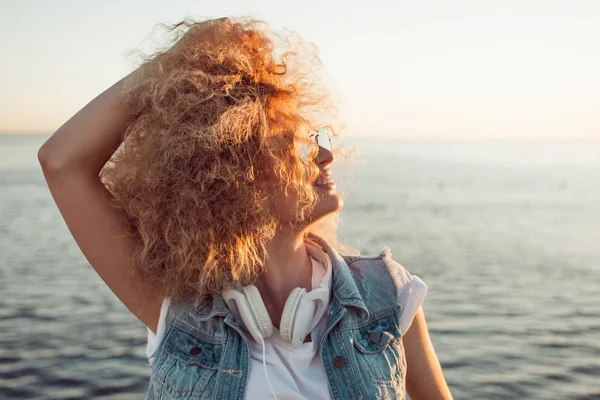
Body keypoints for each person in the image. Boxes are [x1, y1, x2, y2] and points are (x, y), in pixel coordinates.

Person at [38, 17, 453, 400]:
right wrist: (172, 62)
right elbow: (62, 162)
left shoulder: (387, 295)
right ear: (235, 179)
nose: (325, 156)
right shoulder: (181, 310)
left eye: (315, 139)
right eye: (293, 146)